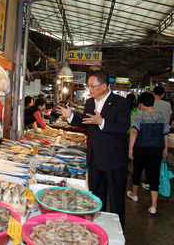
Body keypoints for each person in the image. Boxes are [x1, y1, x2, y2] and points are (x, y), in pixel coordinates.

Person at [56, 70, 130, 228]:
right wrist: (70, 116)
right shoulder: (90, 102)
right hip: (94, 157)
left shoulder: (120, 103)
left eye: (92, 86)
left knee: (116, 199)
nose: (89, 89)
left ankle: (117, 231)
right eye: (88, 86)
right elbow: (86, 122)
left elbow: (123, 127)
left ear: (104, 86)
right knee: (97, 196)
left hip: (114, 159)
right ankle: (97, 227)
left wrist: (102, 121)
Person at [127, 92, 170, 215]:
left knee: (138, 171)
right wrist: (166, 148)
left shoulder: (139, 116)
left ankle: (134, 194)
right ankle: (153, 205)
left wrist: (130, 148)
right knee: (154, 175)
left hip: (141, 148)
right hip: (156, 149)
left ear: (141, 104)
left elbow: (134, 132)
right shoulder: (161, 115)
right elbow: (166, 133)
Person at [141, 86, 172, 191]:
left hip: (145, 138)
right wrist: (166, 148)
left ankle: (148, 182)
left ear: (153, 93)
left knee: (146, 162)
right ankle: (156, 183)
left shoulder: (148, 103)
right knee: (156, 163)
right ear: (163, 94)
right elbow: (167, 122)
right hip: (159, 138)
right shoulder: (167, 105)